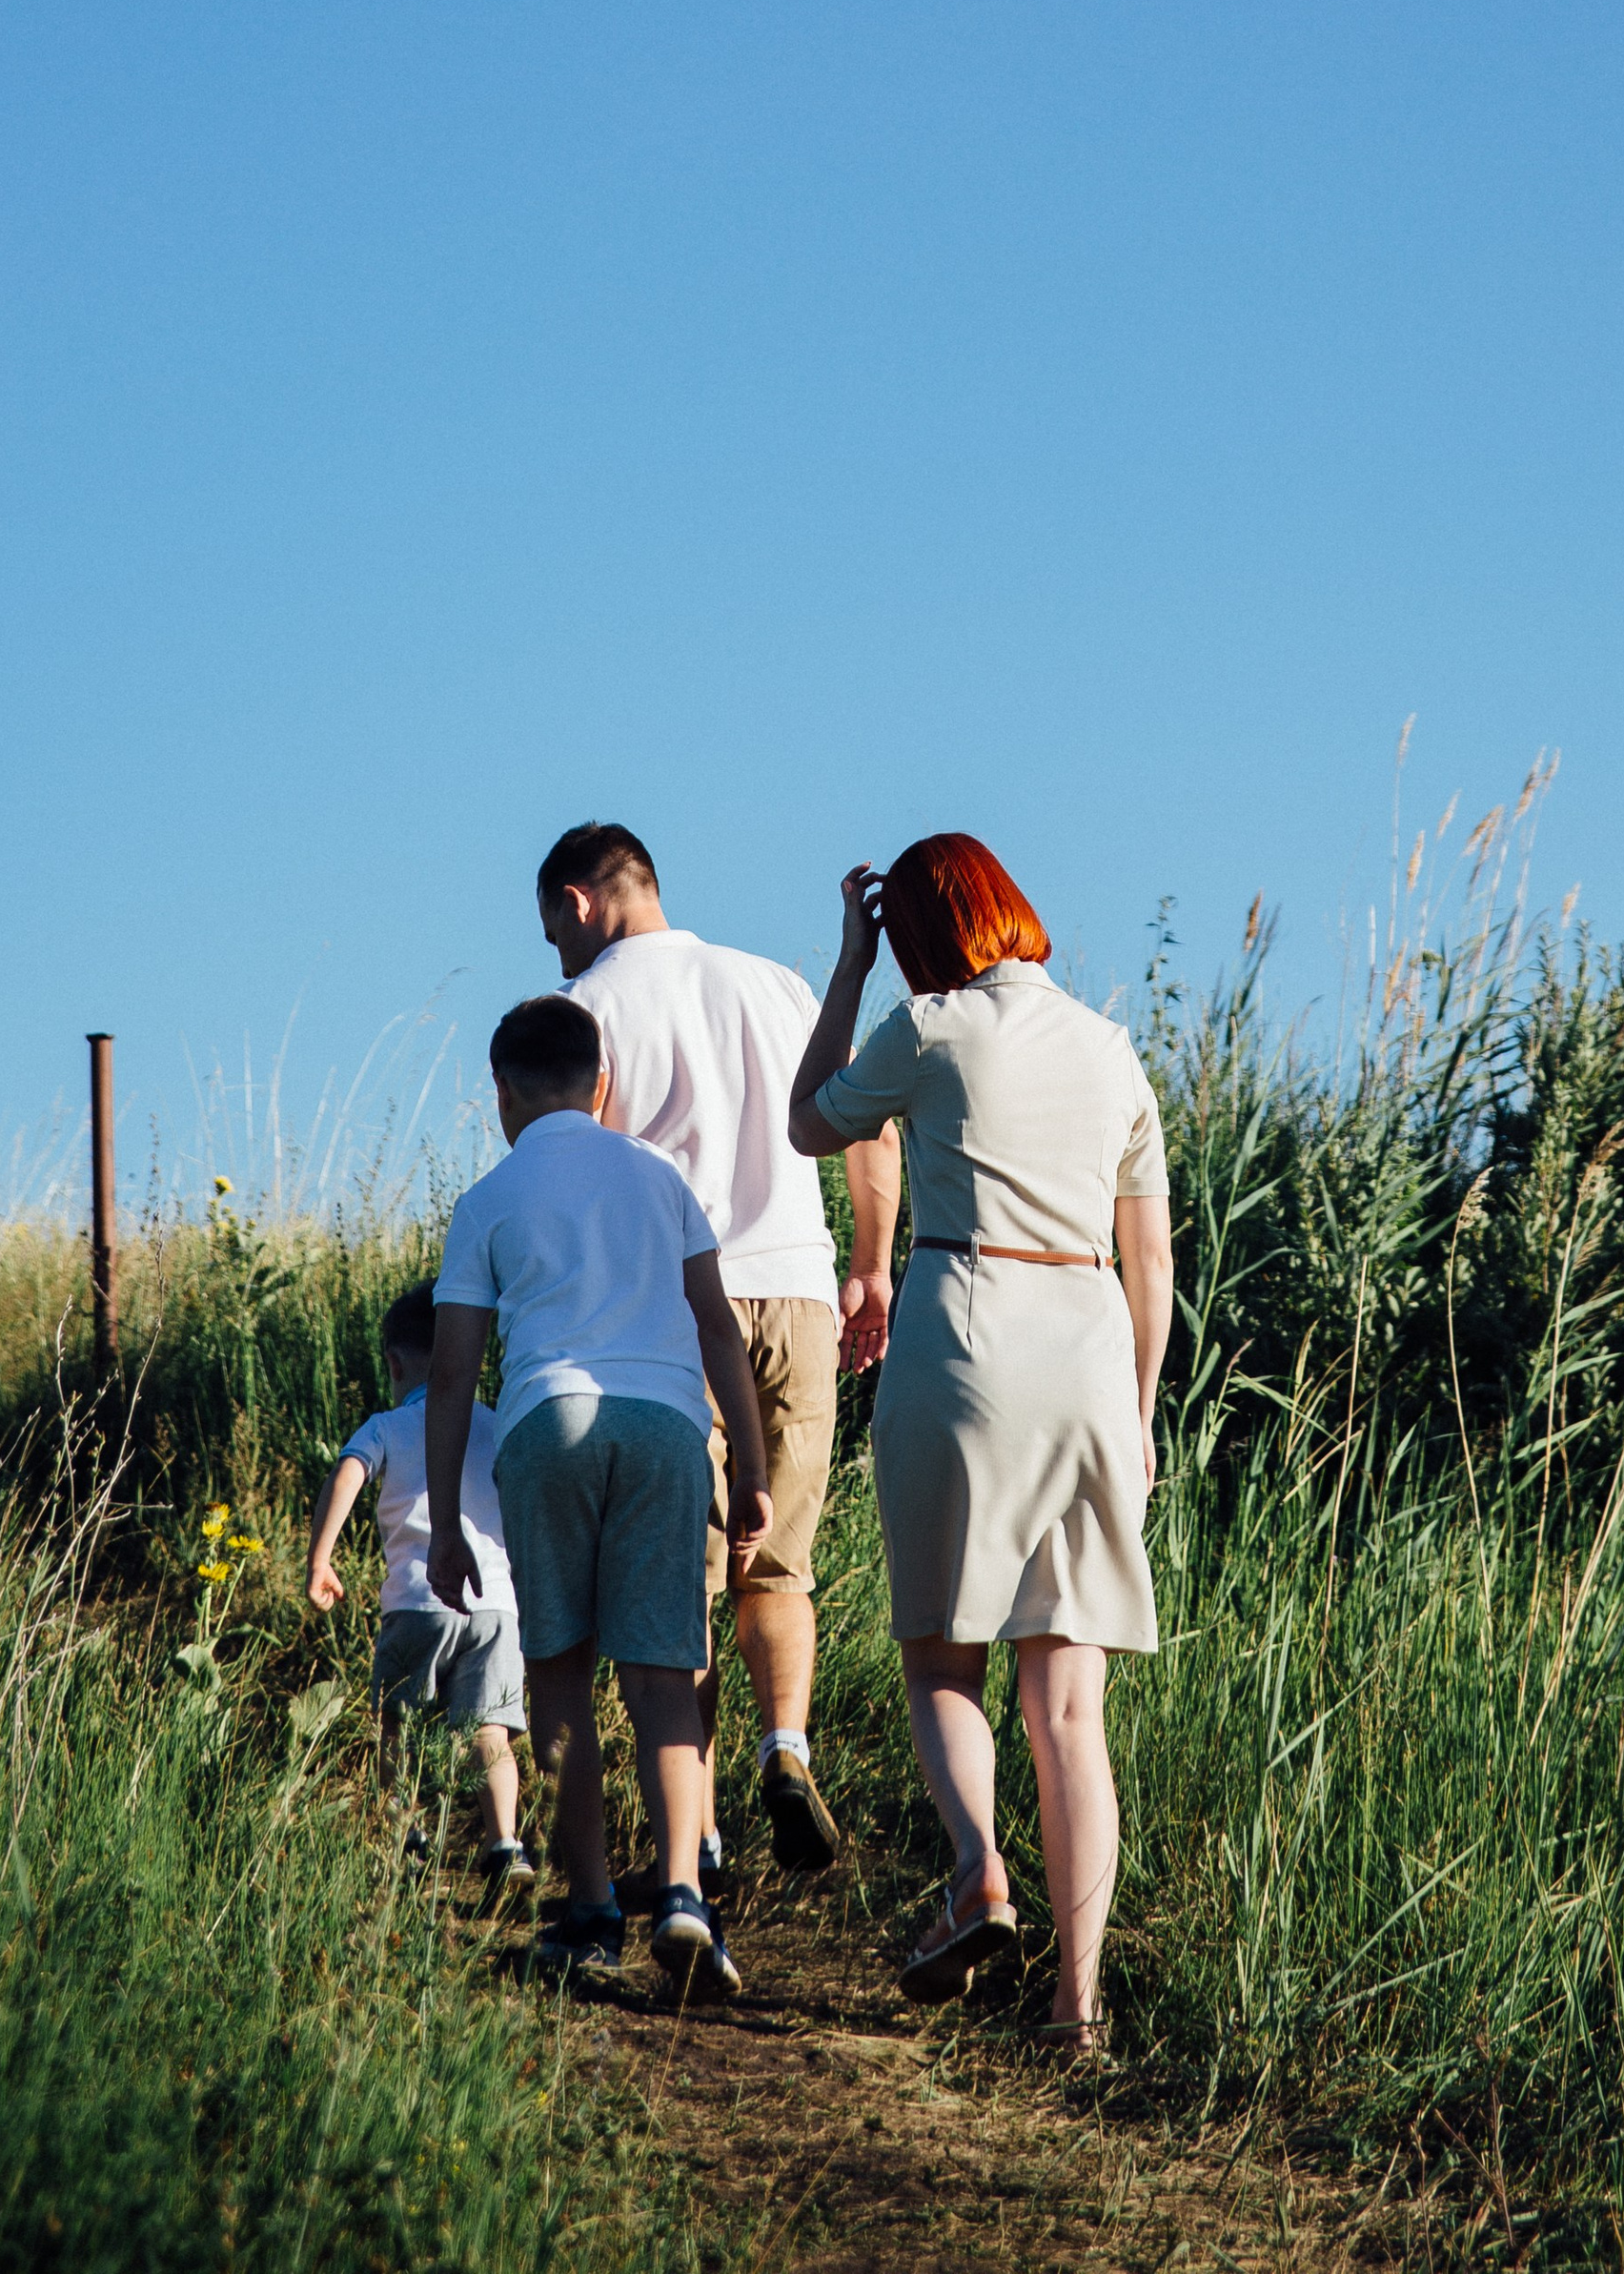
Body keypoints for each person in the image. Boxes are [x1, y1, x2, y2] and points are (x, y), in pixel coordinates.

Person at [786, 835, 1174, 2057]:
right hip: (1091, 1351)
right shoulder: (1114, 1050)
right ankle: (1078, 2004)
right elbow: (1151, 1259)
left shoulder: (933, 1026)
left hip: (963, 1332)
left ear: (923, 940)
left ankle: (977, 1878)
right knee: (1071, 1707)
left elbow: (810, 1123)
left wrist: (848, 970)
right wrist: (1143, 1411)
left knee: (944, 1660)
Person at [537, 819, 901, 1879]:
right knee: (779, 1568)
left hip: (671, 1320)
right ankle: (785, 1747)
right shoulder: (779, 986)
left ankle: (695, 1834)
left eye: (553, 928)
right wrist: (872, 1267)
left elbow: (579, 1178)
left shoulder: (583, 1010)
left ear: (579, 902)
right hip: (796, 1292)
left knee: (674, 1588)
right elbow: (866, 1126)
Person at [425, 993, 775, 2001]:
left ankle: (587, 1911)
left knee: (562, 1675)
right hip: (666, 1426)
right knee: (666, 1675)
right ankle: (681, 1895)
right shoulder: (659, 1179)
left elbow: (453, 1374)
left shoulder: (487, 1197)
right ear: (601, 1081)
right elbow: (718, 1329)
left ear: (501, 1092)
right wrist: (746, 1467)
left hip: (549, 1419)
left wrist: (447, 1520)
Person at [303, 1279, 531, 1893]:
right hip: (496, 1608)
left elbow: (348, 1470)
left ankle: (404, 1835)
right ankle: (506, 1844)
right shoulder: (498, 1424)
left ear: (395, 1363)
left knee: (398, 1726)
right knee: (491, 1731)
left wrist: (320, 1557)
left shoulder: (388, 1425)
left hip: (416, 1601)